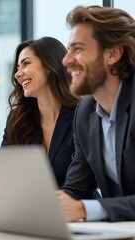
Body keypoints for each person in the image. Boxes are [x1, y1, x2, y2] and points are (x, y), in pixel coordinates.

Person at [58, 5, 135, 222]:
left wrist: (85, 210)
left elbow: (81, 205)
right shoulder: (85, 111)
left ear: (113, 54)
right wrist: (47, 205)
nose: (66, 60)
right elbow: (77, 188)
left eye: (78, 49)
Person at [1, 37, 80, 188]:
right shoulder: (17, 119)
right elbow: (4, 173)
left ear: (50, 65)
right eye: (18, 67)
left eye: (26, 63)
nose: (17, 74)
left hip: (73, 206)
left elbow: (83, 182)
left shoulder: (81, 115)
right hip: (27, 205)